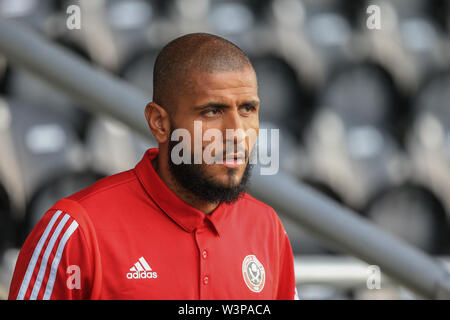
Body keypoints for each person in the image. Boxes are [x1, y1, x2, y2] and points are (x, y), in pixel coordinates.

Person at [8, 33, 299, 300]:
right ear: (159, 123)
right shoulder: (75, 229)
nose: (237, 132)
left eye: (248, 109)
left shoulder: (268, 228)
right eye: (212, 111)